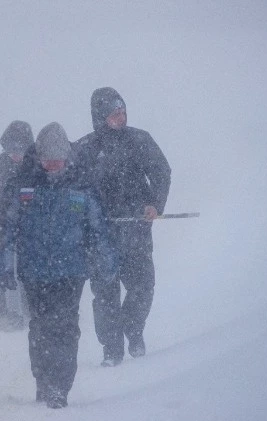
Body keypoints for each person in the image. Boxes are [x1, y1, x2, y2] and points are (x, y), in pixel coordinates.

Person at [0, 122, 115, 409]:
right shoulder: (23, 183)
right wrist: (3, 265)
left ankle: (60, 387)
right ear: (39, 157)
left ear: (67, 158)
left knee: (66, 327)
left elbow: (99, 229)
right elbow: (5, 227)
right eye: (47, 161)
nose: (52, 167)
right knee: (40, 327)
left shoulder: (82, 185)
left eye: (58, 161)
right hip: (33, 273)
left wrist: (106, 263)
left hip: (70, 272)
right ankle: (43, 380)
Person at [74, 87, 171, 367]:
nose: (120, 117)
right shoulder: (83, 149)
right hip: (100, 236)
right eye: (114, 113)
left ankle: (133, 329)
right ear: (99, 116)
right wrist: (83, 220)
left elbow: (161, 172)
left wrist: (155, 204)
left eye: (123, 111)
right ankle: (112, 348)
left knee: (143, 286)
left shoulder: (140, 140)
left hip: (136, 231)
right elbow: (74, 191)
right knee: (105, 295)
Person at [0, 120, 35, 329]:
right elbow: (0, 198)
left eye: (20, 149)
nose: (15, 154)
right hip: (10, 221)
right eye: (10, 150)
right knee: (6, 260)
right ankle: (10, 310)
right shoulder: (1, 164)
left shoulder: (36, 163)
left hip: (34, 223)